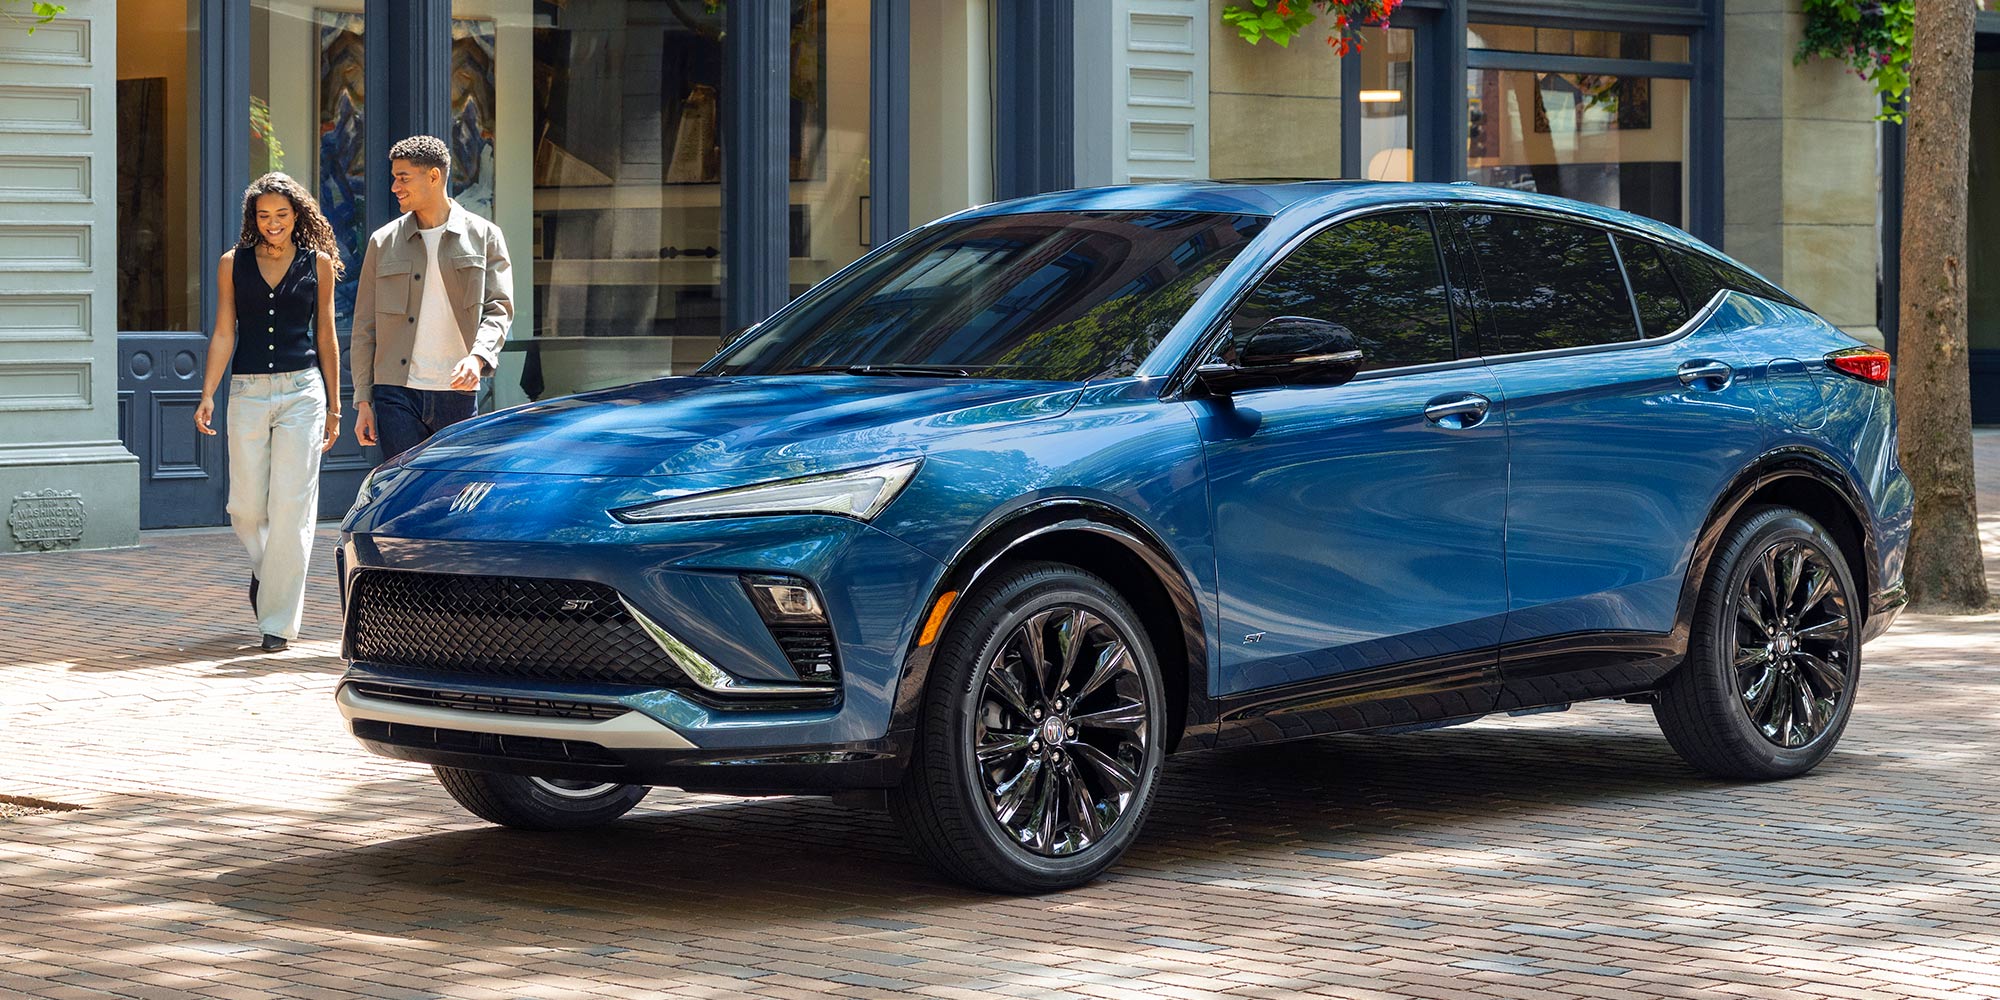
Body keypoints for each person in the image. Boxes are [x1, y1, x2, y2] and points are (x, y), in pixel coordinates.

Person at [193, 173, 343, 653]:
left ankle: (276, 623)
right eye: (264, 215)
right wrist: (208, 392)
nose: (273, 224)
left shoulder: (316, 265)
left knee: (291, 507)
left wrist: (336, 405)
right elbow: (223, 332)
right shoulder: (231, 264)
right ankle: (267, 571)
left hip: (303, 392)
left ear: (296, 215)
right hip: (249, 391)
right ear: (252, 219)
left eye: (281, 214)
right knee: (246, 507)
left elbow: (326, 336)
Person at [352, 134, 513, 459]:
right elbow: (364, 326)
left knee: (452, 493)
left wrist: (478, 357)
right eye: (394, 178)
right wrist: (363, 400)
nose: (395, 187)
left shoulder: (484, 236)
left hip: (457, 391)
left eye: (403, 178)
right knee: (405, 491)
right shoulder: (382, 242)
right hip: (395, 392)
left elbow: (499, 309)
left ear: (434, 176)